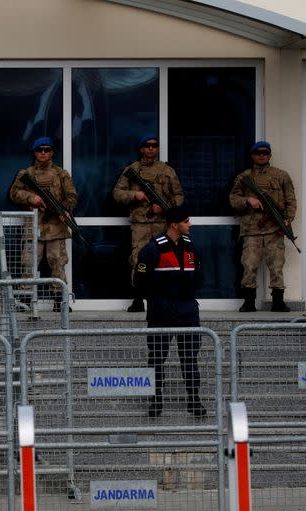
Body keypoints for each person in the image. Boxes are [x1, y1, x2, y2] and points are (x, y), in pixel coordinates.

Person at [135, 204, 205, 418]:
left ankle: (194, 401)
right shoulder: (152, 248)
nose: (189, 224)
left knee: (189, 359)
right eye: (186, 221)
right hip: (161, 311)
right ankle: (155, 402)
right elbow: (140, 281)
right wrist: (157, 300)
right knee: (156, 359)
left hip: (187, 311)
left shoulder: (191, 247)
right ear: (174, 224)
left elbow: (199, 277)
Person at [113, 134, 184, 313]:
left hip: (163, 224)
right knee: (139, 261)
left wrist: (165, 210)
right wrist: (134, 195)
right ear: (141, 149)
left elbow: (179, 196)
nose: (151, 148)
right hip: (141, 225)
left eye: (154, 145)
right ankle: (138, 298)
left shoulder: (167, 171)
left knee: (165, 260)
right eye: (147, 145)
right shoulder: (133, 170)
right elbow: (117, 193)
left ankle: (165, 297)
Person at [8, 136, 78, 312]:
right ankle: (26, 299)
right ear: (35, 152)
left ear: (52, 152)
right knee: (29, 263)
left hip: (56, 226)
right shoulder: (26, 174)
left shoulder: (62, 174)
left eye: (47, 150)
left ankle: (59, 300)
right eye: (40, 150)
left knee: (57, 262)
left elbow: (72, 197)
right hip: (34, 226)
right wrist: (32, 198)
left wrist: (63, 210)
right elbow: (14, 193)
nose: (43, 153)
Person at [229, 141, 297, 313]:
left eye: (265, 153)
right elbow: (233, 199)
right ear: (252, 155)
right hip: (251, 230)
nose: (262, 155)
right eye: (258, 153)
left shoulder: (281, 176)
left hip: (274, 229)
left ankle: (278, 302)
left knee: (276, 266)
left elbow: (290, 201)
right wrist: (247, 200)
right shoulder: (244, 177)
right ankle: (249, 302)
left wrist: (288, 220)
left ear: (270, 155)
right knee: (249, 265)